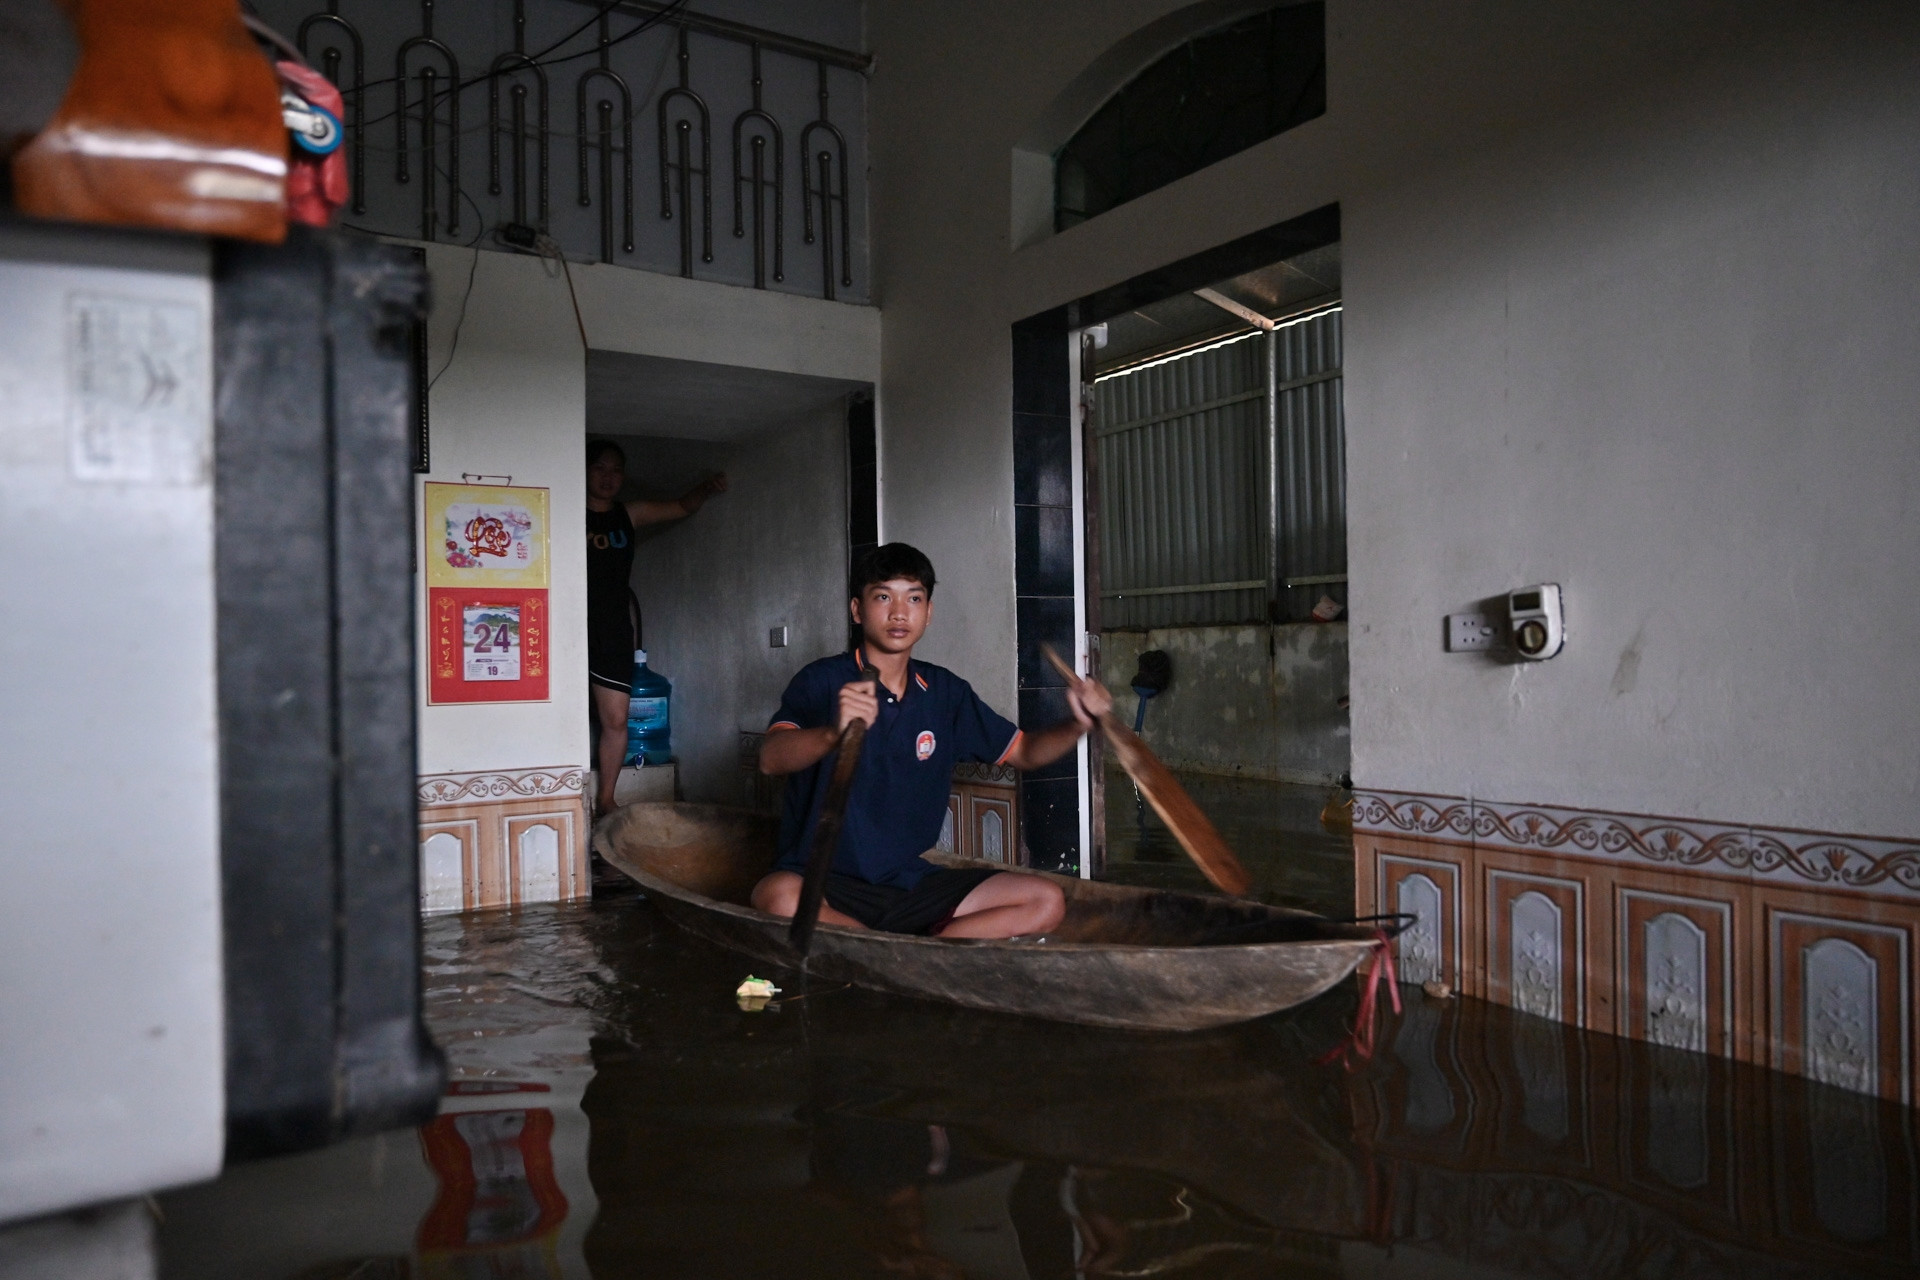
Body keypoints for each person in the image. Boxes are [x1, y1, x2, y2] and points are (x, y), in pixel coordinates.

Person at [751, 543, 1112, 939]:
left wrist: (1079, 724)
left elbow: (1025, 751)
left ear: (928, 613)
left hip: (910, 882)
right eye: (883, 596)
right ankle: (903, 951)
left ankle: (922, 950)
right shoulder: (821, 680)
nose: (899, 612)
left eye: (915, 598)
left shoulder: (945, 692)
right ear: (858, 610)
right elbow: (771, 758)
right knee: (777, 896)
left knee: (1045, 900)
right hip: (824, 880)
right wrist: (831, 733)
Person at [587, 439, 726, 815]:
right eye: (599, 468)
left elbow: (681, 506)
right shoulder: (568, 512)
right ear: (584, 470)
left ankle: (606, 800)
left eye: (616, 470)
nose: (608, 477)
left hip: (614, 628)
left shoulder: (627, 515)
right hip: (570, 624)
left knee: (616, 719)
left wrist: (706, 487)